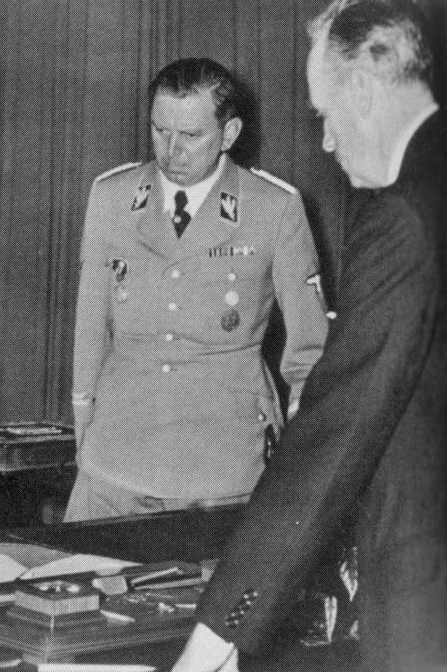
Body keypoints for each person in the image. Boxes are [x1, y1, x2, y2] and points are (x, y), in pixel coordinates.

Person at [173, 2, 446, 671]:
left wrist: (214, 640)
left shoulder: (406, 215)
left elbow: (336, 430)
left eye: (324, 114)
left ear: (364, 90)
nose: (325, 142)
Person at [66, 58, 330, 521]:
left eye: (191, 135)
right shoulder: (111, 197)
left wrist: (303, 457)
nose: (172, 151)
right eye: (160, 130)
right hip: (116, 459)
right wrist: (84, 425)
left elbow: (310, 352)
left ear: (229, 134)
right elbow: (90, 327)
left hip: (223, 466)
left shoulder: (273, 208)